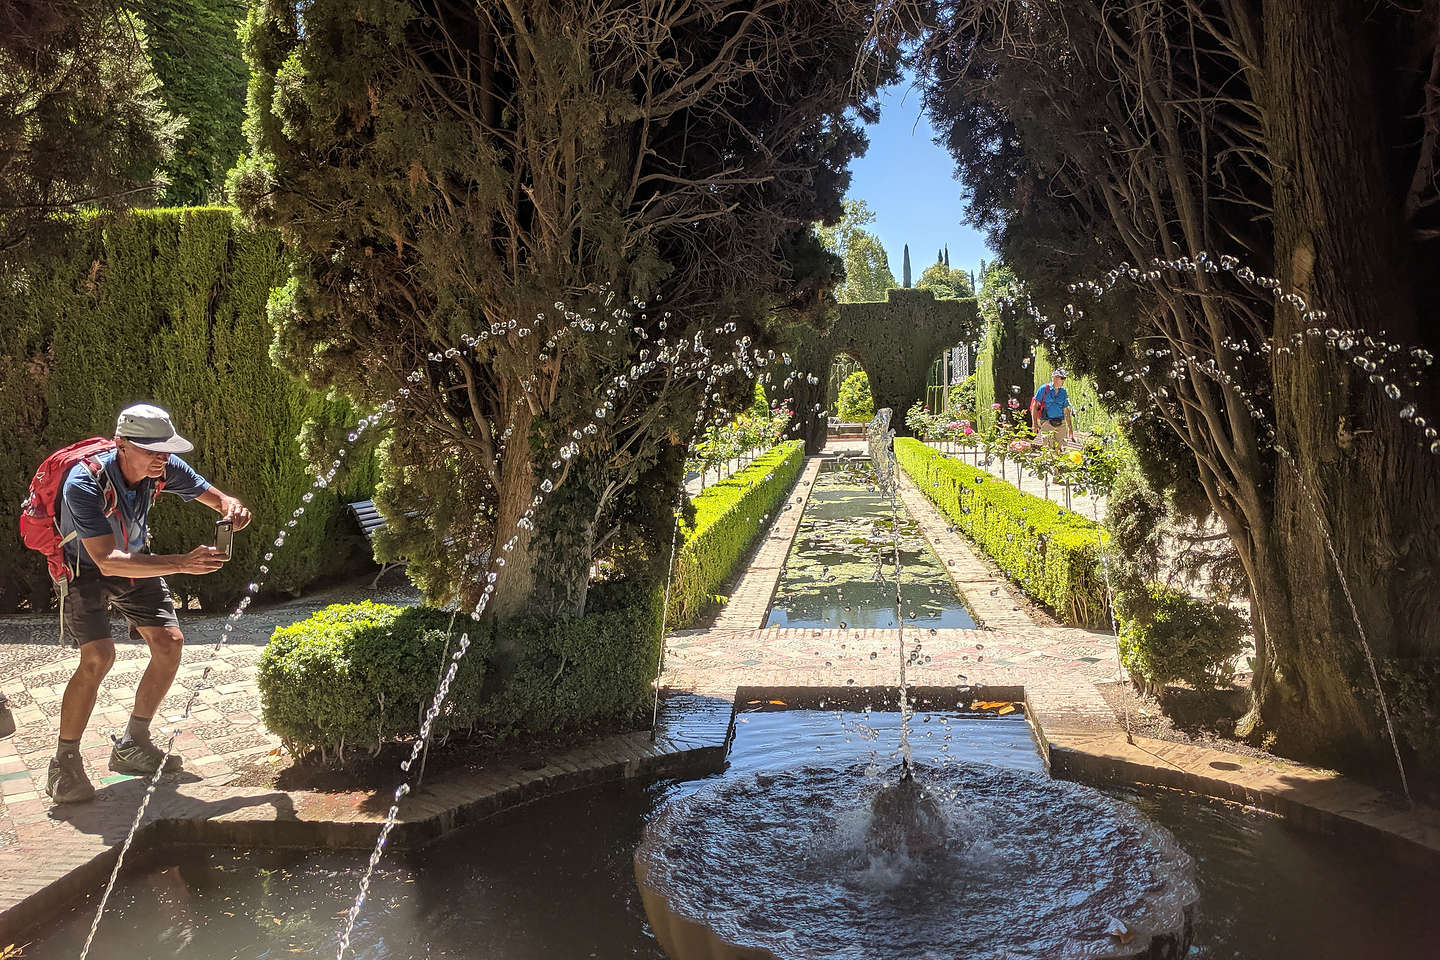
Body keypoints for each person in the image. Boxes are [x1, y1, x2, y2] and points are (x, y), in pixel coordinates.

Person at [47, 404, 251, 805]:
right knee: (98, 657)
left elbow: (217, 499)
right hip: (84, 570)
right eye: (151, 450)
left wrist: (231, 506)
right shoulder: (83, 483)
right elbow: (106, 560)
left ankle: (133, 744)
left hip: (135, 562)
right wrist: (182, 563)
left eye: (165, 450)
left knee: (169, 643)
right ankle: (64, 762)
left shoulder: (164, 468)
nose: (161, 458)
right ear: (121, 444)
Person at [1032, 370, 1075, 448]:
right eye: (1062, 378)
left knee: (1062, 449)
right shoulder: (1043, 389)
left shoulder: (1063, 391)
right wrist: (1034, 424)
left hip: (1061, 423)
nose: (1063, 380)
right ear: (1055, 378)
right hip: (1047, 422)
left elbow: (1066, 410)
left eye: (1064, 378)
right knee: (1048, 449)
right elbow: (1034, 406)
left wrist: (1070, 428)